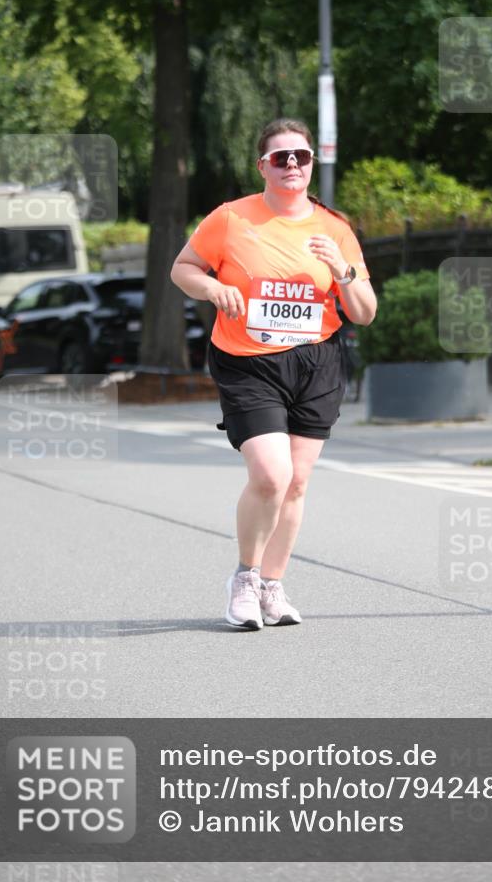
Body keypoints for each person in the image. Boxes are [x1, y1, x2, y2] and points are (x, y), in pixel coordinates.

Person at [170, 118, 377, 630]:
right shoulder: (230, 218)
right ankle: (244, 578)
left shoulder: (334, 229)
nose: (292, 165)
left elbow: (365, 311)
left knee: (298, 482)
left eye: (301, 157)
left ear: (312, 164)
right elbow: (183, 268)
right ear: (262, 165)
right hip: (247, 359)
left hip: (316, 360)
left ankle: (272, 587)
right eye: (280, 157)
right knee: (271, 476)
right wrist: (213, 290)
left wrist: (343, 270)